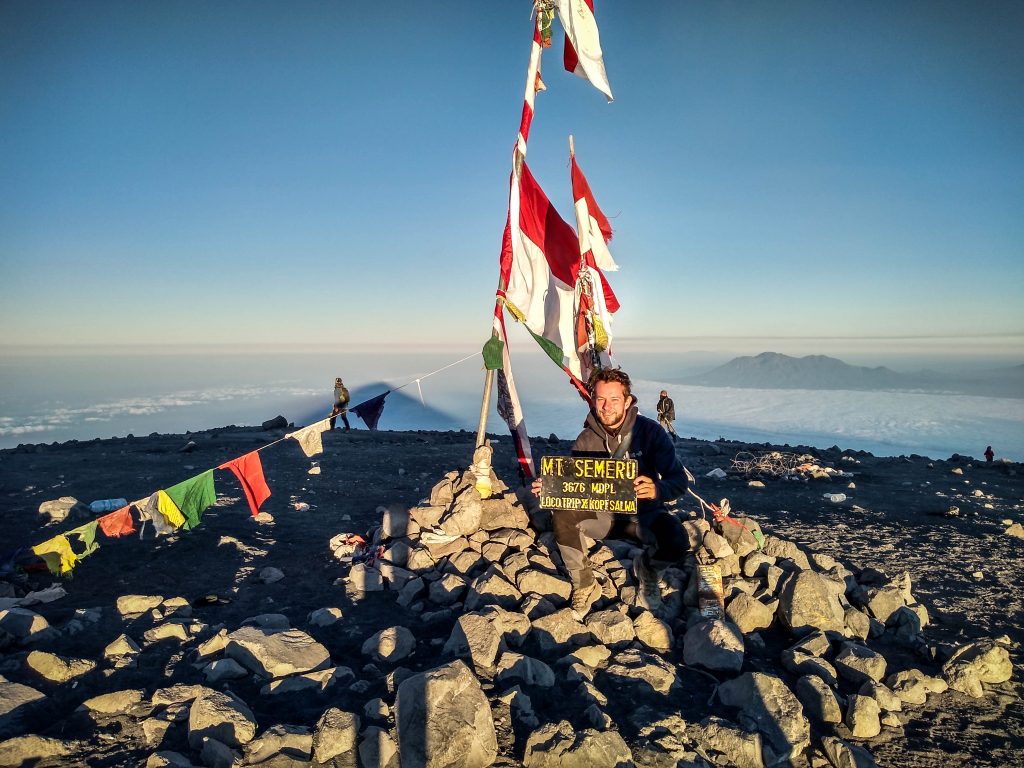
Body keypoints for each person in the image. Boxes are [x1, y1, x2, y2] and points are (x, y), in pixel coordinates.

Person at [534, 368, 690, 616]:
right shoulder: (586, 439)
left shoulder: (651, 433)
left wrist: (656, 489)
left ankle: (648, 569)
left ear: (628, 401)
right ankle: (585, 583)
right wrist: (551, 487)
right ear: (593, 400)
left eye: (614, 399)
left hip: (644, 516)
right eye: (600, 399)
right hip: (603, 518)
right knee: (562, 516)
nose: (607, 407)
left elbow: (679, 480)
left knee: (677, 540)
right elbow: (574, 488)